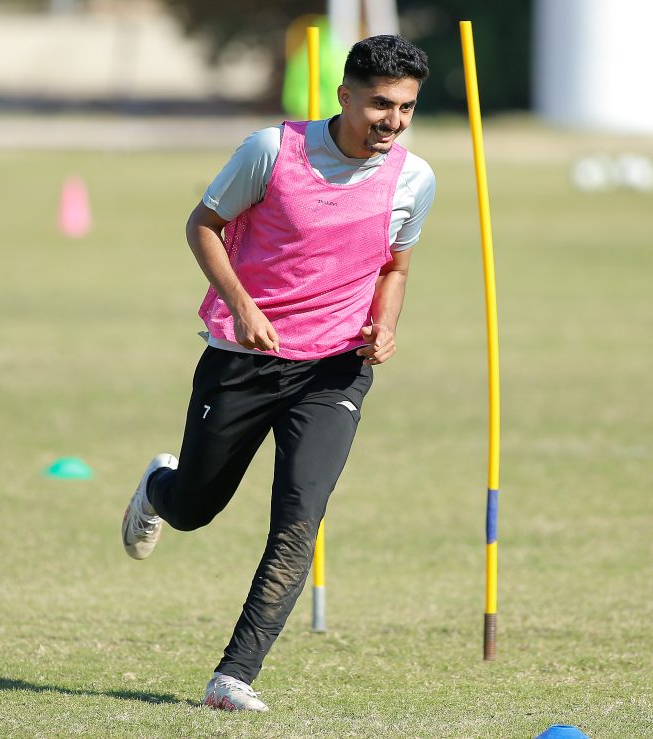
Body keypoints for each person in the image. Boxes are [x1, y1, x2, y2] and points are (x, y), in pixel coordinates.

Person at [120, 34, 435, 713]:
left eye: (406, 107)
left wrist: (385, 324)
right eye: (380, 104)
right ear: (345, 96)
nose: (393, 121)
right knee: (195, 508)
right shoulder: (271, 151)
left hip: (333, 371)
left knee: (299, 520)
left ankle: (233, 676)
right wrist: (242, 305)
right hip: (243, 360)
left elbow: (396, 267)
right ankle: (158, 488)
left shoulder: (414, 179)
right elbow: (203, 225)